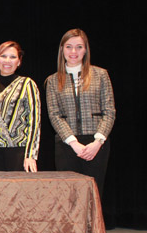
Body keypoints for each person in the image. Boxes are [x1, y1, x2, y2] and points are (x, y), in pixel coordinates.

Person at [46, 28, 116, 198]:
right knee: (69, 195)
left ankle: (93, 226)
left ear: (86, 50)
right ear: (62, 49)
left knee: (94, 193)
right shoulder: (52, 80)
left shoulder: (100, 75)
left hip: (95, 145)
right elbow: (54, 115)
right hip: (67, 145)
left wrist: (97, 142)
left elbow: (109, 111)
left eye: (79, 47)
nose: (74, 52)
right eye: (69, 46)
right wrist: (74, 143)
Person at [0, 41, 41, 172]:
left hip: (18, 153)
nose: (7, 60)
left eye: (13, 57)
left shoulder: (27, 84)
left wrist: (31, 155)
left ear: (19, 61)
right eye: (3, 56)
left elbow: (35, 122)